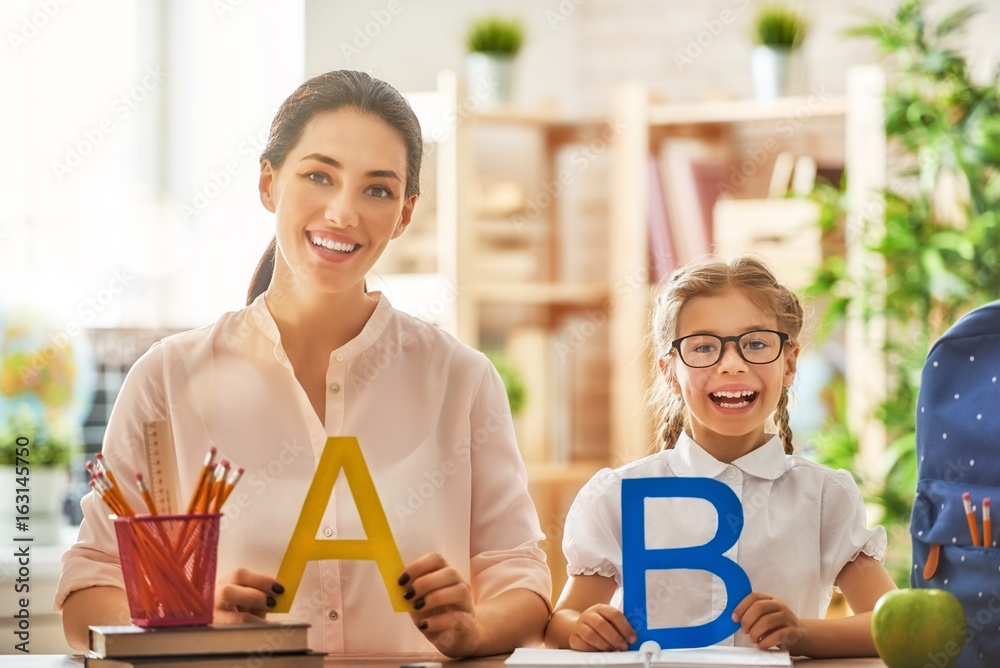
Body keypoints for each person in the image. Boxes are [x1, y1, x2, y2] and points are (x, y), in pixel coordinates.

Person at [56, 70, 552, 657]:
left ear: (405, 212)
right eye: (319, 176)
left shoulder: (463, 381)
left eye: (377, 189)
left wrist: (475, 629)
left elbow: (521, 580)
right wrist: (186, 622)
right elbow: (87, 596)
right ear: (268, 182)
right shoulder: (167, 379)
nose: (343, 212)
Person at [544, 256, 896, 657]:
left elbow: (888, 622)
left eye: (757, 344)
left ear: (790, 362)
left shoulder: (823, 495)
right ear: (669, 372)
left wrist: (804, 634)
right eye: (704, 347)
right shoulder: (616, 495)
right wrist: (580, 629)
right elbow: (561, 623)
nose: (731, 364)